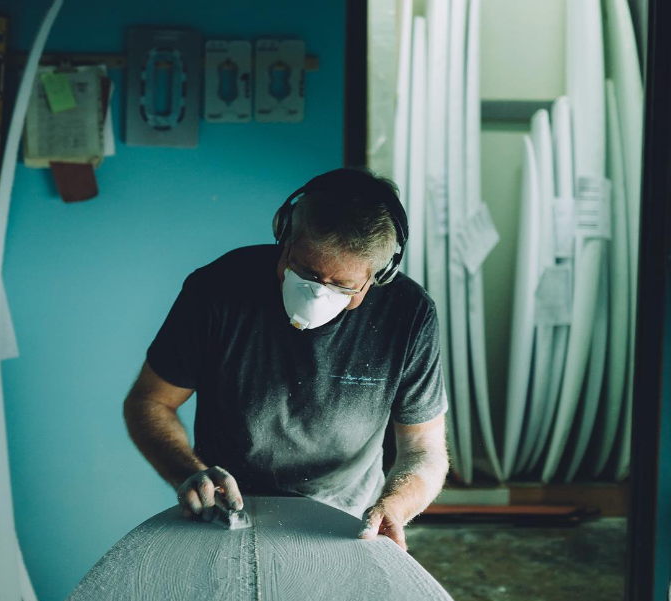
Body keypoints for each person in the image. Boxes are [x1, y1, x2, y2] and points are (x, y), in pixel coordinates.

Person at [123, 167, 449, 549]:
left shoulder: (408, 316)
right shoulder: (217, 290)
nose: (317, 294)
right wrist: (188, 472)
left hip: (347, 521)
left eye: (343, 285)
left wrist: (396, 506)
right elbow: (150, 401)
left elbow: (424, 448)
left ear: (377, 277)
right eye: (305, 272)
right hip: (227, 513)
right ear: (285, 237)